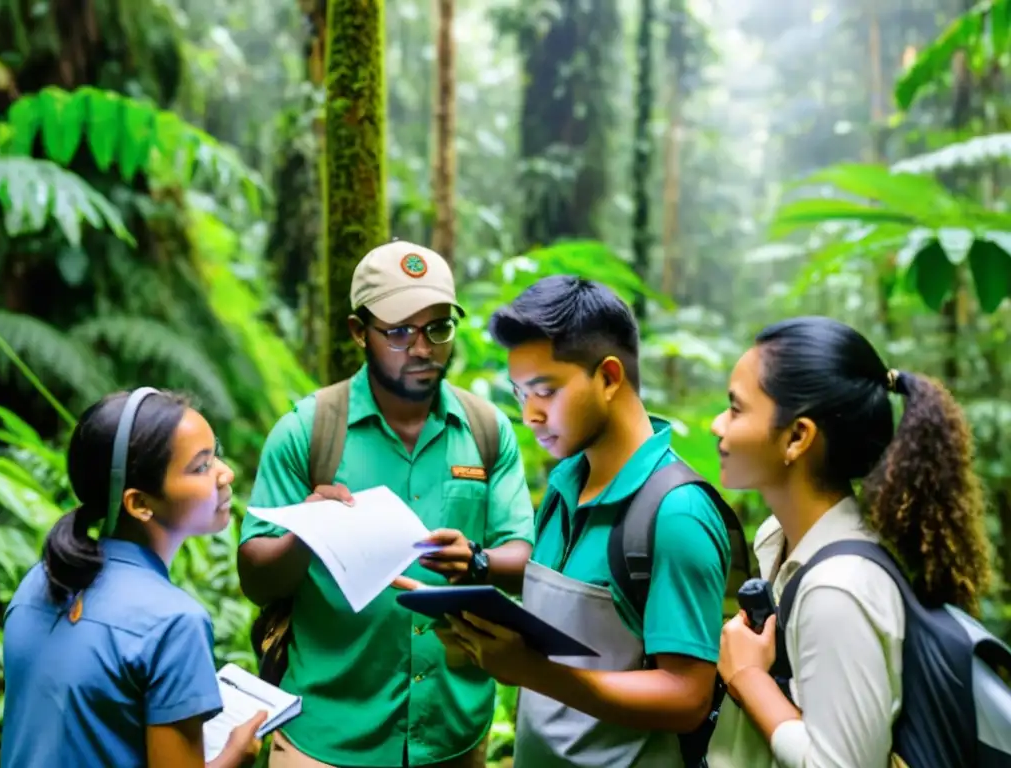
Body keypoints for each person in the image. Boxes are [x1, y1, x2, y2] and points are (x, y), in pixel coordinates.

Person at [236, 240, 536, 768]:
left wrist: (477, 560)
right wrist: (307, 530)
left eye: (437, 327)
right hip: (326, 733)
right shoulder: (308, 432)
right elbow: (257, 579)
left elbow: (523, 561)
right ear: (359, 332)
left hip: (452, 731)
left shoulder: (487, 431)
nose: (421, 347)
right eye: (399, 331)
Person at [435, 275, 732, 768]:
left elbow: (687, 698)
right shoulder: (565, 484)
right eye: (518, 393)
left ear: (610, 378)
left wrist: (530, 671)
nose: (529, 415)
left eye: (545, 392)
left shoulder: (676, 512)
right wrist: (477, 595)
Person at [704, 316, 992, 768]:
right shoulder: (777, 538)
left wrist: (748, 679)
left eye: (736, 409)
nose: (716, 425)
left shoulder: (838, 589)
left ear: (797, 436)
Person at [0, 388, 267, 768]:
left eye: (216, 454)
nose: (227, 473)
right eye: (201, 466)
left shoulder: (38, 583)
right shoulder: (174, 623)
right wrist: (234, 755)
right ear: (140, 503)